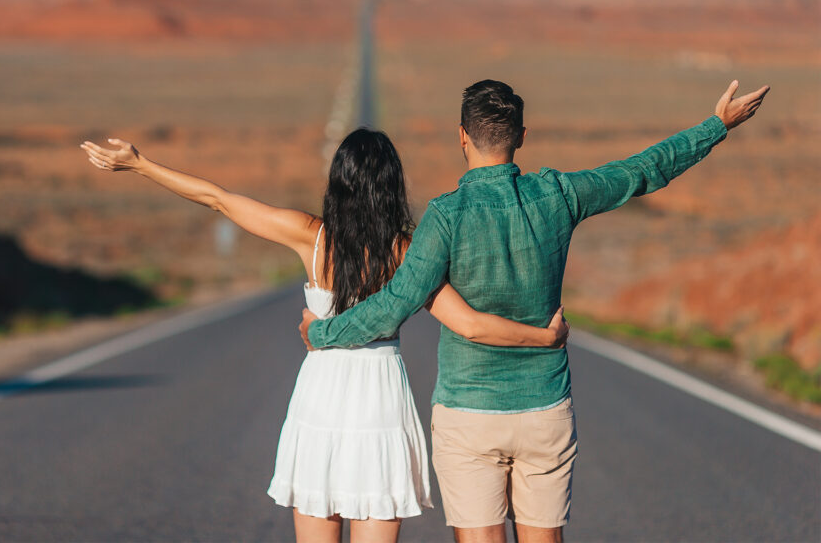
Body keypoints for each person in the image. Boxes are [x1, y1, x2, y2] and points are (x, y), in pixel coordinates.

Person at [299, 80, 769, 543]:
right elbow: (643, 171)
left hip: (470, 413)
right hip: (544, 406)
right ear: (522, 136)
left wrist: (322, 333)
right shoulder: (559, 194)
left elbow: (394, 304)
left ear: (462, 135)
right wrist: (716, 125)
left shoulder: (445, 216)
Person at [81, 128, 569, 543]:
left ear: (339, 183)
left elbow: (218, 199)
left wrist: (141, 164)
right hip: (381, 404)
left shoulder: (309, 236)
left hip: (321, 402)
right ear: (392, 186)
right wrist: (542, 338)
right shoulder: (407, 252)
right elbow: (468, 323)